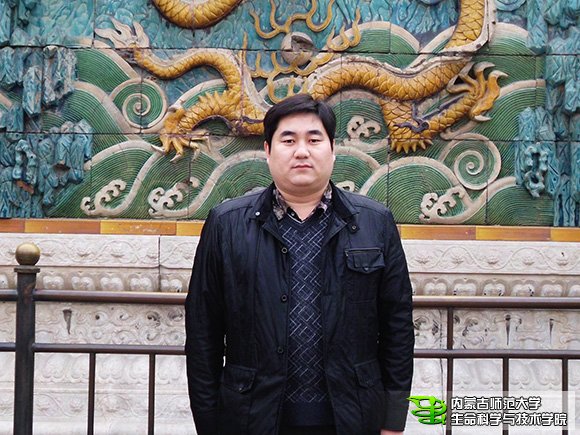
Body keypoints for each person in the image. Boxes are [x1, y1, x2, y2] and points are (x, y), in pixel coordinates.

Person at [185, 94, 414, 435]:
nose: (302, 151)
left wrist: (393, 421)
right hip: (252, 418)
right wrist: (208, 425)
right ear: (268, 150)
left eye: (314, 139)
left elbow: (398, 328)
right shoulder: (226, 225)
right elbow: (203, 335)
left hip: (352, 417)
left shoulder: (374, 222)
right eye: (289, 140)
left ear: (332, 149)